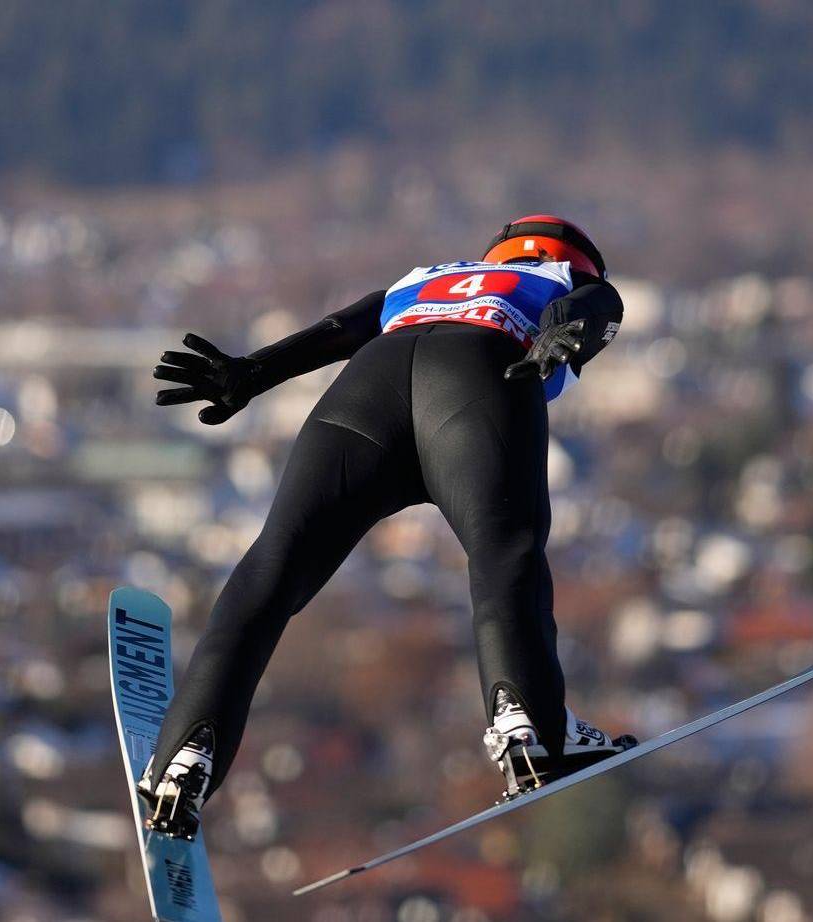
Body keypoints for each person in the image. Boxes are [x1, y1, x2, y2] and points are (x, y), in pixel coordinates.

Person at [139, 215, 635, 839]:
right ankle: (529, 721)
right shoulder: (562, 277)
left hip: (367, 388)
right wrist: (564, 338)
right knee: (503, 555)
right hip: (479, 376)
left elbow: (337, 331)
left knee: (274, 566)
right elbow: (600, 305)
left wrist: (250, 373)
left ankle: (185, 753)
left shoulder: (427, 276)